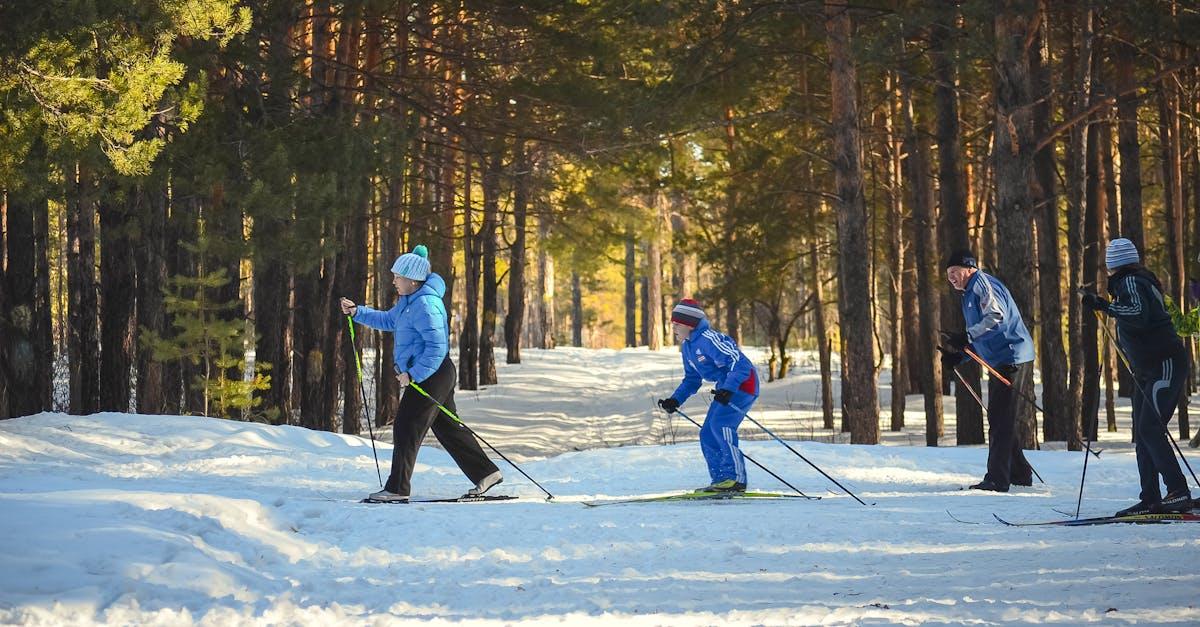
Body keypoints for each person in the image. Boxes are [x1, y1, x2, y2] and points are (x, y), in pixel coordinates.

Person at [340, 244, 501, 502]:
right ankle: (487, 473)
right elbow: (388, 321)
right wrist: (358, 312)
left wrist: (413, 374)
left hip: (432, 373)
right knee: (448, 428)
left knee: (406, 426)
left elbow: (437, 347)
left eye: (398, 277)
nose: (394, 281)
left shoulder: (426, 304)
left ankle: (397, 488)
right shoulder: (408, 302)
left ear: (413, 280)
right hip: (434, 373)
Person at [1081, 238, 1194, 515]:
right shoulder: (1131, 282)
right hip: (1149, 369)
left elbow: (1138, 314)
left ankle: (1177, 492)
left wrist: (1104, 306)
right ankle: (1151, 497)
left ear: (1114, 264)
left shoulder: (1130, 281)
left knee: (1150, 430)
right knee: (1143, 434)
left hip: (1164, 364)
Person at [939, 249, 1036, 492]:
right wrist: (958, 356)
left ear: (969, 268)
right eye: (948, 274)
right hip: (1000, 358)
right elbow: (982, 334)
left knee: (1000, 419)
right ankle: (1020, 473)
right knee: (999, 417)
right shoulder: (969, 293)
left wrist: (966, 336)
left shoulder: (981, 284)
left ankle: (997, 479)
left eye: (954, 272)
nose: (951, 278)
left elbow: (996, 318)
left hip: (1011, 356)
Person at [656, 299, 760, 492]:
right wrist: (675, 399)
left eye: (676, 324)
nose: (674, 328)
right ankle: (721, 480)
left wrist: (729, 388)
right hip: (726, 387)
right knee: (707, 432)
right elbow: (692, 379)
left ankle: (735, 479)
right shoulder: (687, 347)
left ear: (688, 324)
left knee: (721, 425)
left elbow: (740, 363)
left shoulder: (708, 339)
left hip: (743, 385)